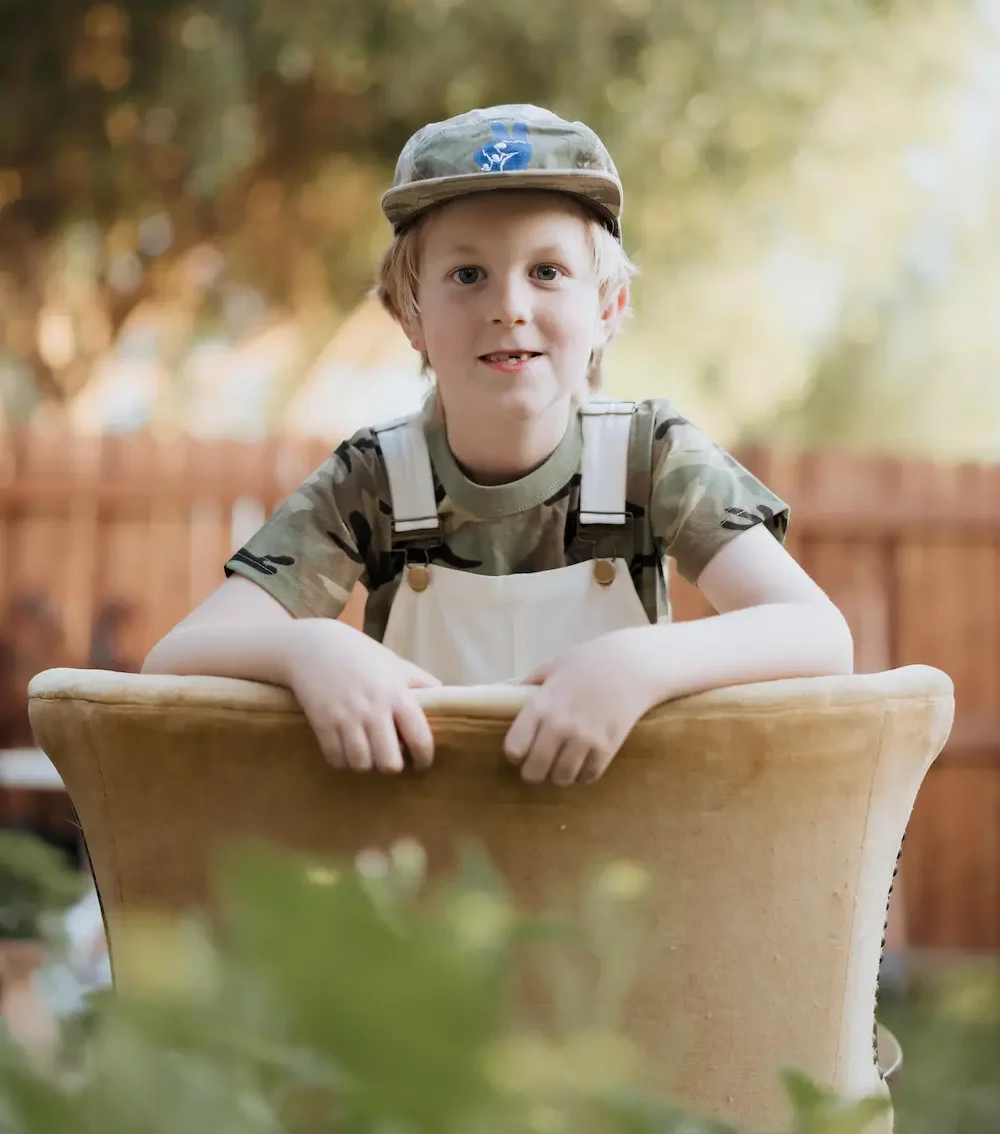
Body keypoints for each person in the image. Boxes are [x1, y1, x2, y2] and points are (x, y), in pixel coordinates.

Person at [143, 104, 852, 785]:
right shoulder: (372, 479)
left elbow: (818, 636)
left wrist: (640, 665)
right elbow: (174, 661)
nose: (509, 305)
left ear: (608, 311)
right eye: (467, 275)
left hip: (618, 874)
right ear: (408, 315)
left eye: (547, 272)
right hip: (427, 882)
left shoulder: (652, 457)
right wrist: (309, 647)